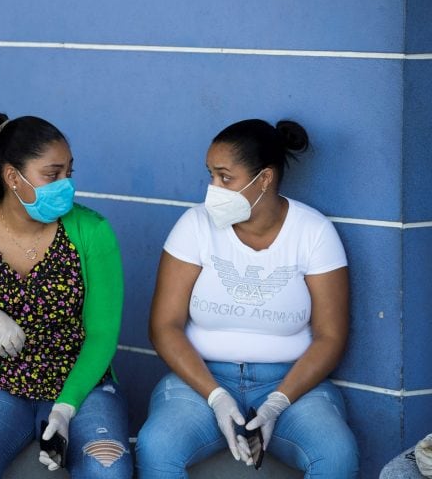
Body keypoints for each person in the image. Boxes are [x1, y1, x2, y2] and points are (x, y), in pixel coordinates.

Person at [135, 118, 359, 478]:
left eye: (225, 177)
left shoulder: (313, 232)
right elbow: (164, 325)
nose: (213, 188)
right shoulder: (195, 226)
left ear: (265, 179)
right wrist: (216, 396)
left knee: (336, 452)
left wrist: (277, 403)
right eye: (210, 175)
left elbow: (331, 336)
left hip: (289, 382)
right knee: (157, 444)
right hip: (200, 378)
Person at [0, 111, 133, 479]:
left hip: (78, 383)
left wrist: (65, 408)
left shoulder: (93, 231)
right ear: (12, 176)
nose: (66, 184)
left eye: (69, 173)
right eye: (52, 174)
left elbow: (102, 334)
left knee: (107, 467)